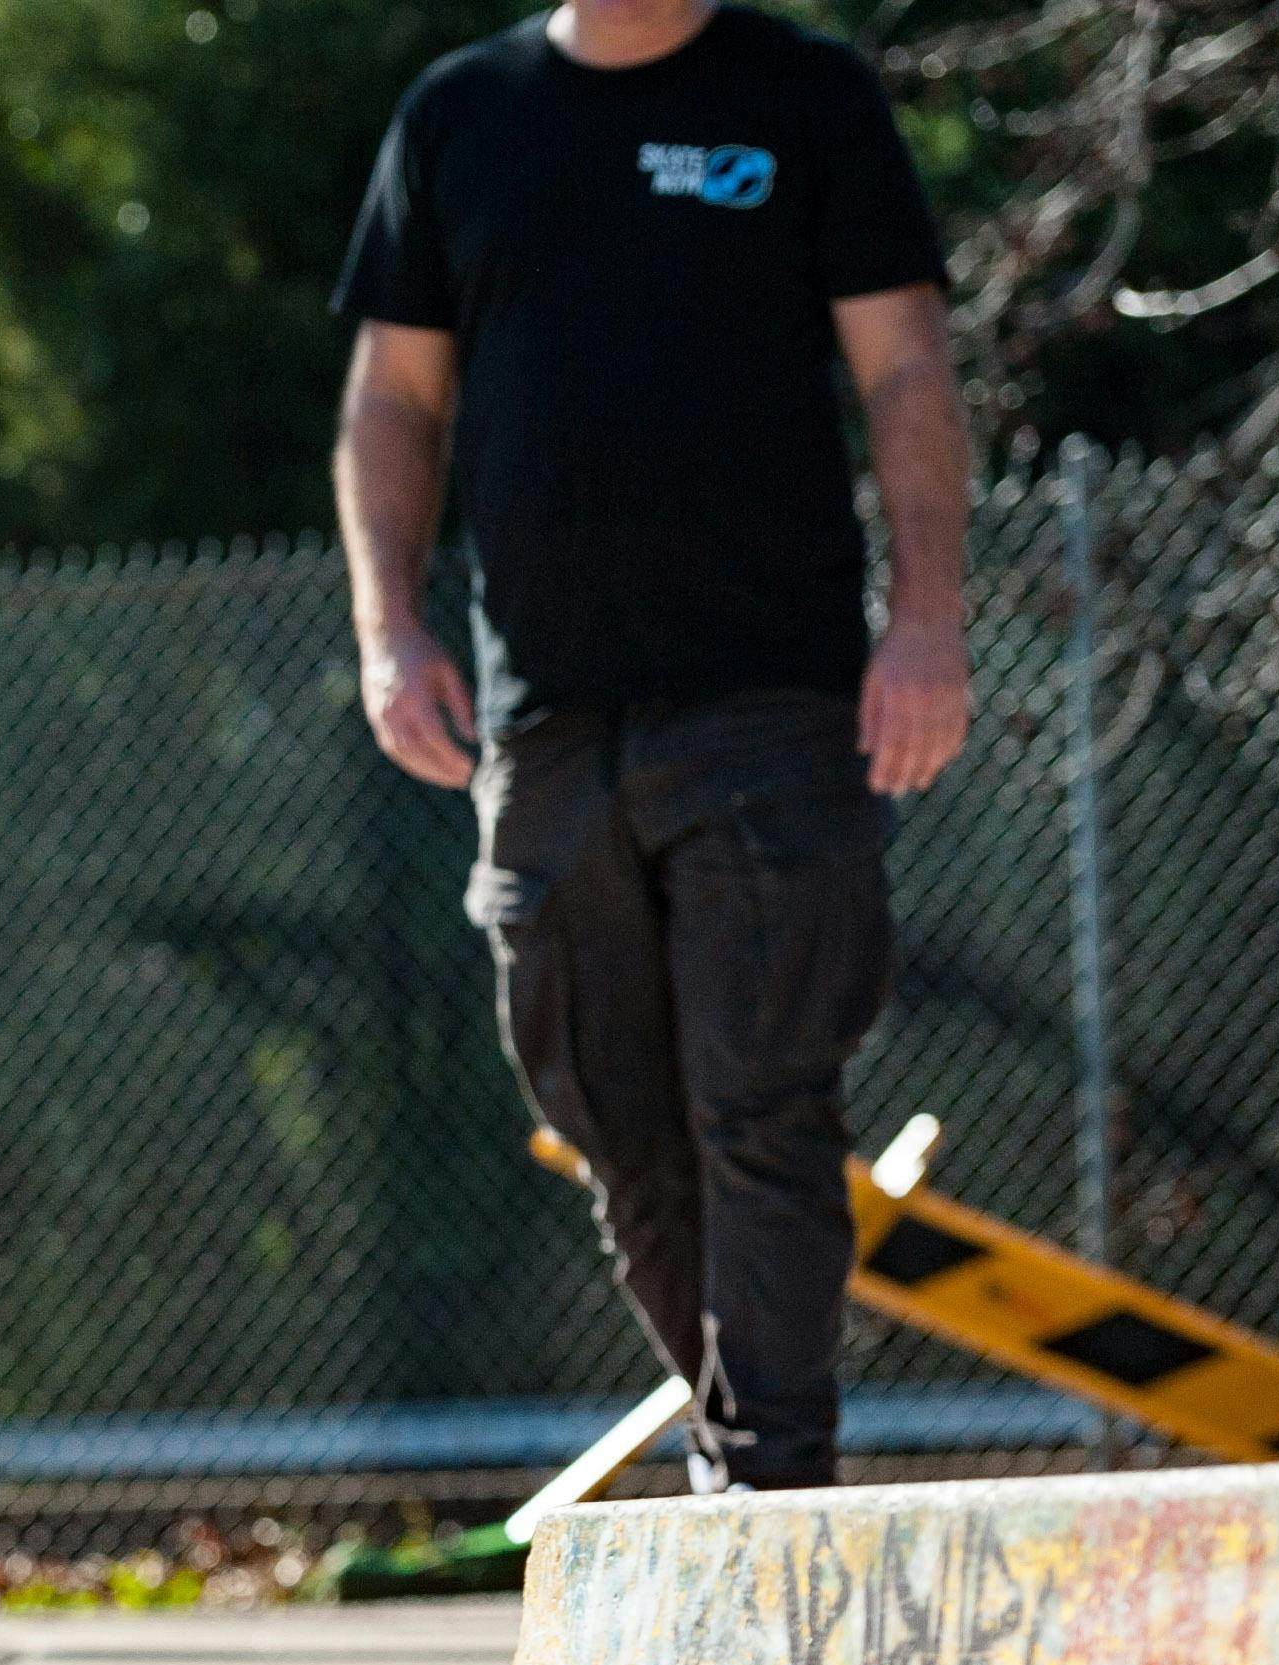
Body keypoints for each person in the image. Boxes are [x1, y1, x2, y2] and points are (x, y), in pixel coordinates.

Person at [333, 0, 973, 1490]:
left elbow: (905, 368)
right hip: (542, 716)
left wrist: (928, 619)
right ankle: (733, 1443)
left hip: (771, 703)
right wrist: (387, 628)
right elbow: (394, 396)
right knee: (617, 1130)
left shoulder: (805, 95)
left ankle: (765, 1488)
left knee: (761, 1102)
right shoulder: (456, 116)